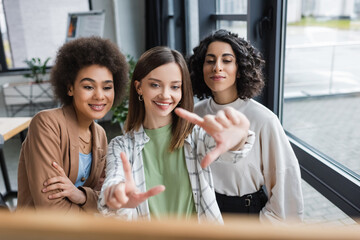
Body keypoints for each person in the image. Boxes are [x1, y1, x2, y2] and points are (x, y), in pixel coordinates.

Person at [98, 46, 254, 223]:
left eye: (175, 87)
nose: (165, 95)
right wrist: (117, 197)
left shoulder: (195, 136)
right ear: (139, 87)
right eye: (155, 85)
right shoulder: (120, 146)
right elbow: (114, 182)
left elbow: (231, 152)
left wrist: (238, 138)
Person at [188, 29, 304, 223]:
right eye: (210, 61)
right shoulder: (195, 114)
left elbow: (286, 184)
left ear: (240, 69)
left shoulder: (263, 119)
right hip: (202, 211)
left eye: (226, 60)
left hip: (246, 215)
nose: (217, 67)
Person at [17, 36, 129, 213]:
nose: (100, 96)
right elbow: (51, 209)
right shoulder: (47, 124)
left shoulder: (99, 135)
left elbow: (105, 198)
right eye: (88, 87)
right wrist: (95, 206)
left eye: (107, 87)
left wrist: (82, 196)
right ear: (70, 88)